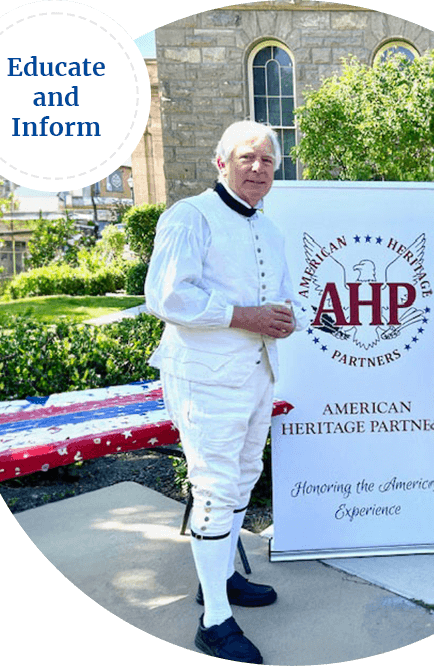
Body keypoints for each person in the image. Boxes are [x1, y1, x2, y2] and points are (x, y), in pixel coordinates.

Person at [145, 120, 307, 663]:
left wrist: (290, 319)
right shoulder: (190, 217)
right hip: (205, 378)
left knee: (243, 478)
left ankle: (219, 580)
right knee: (214, 487)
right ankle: (214, 621)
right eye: (247, 158)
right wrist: (247, 315)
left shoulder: (271, 229)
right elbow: (167, 297)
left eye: (267, 161)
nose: (259, 168)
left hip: (258, 372)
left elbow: (279, 296)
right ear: (222, 162)